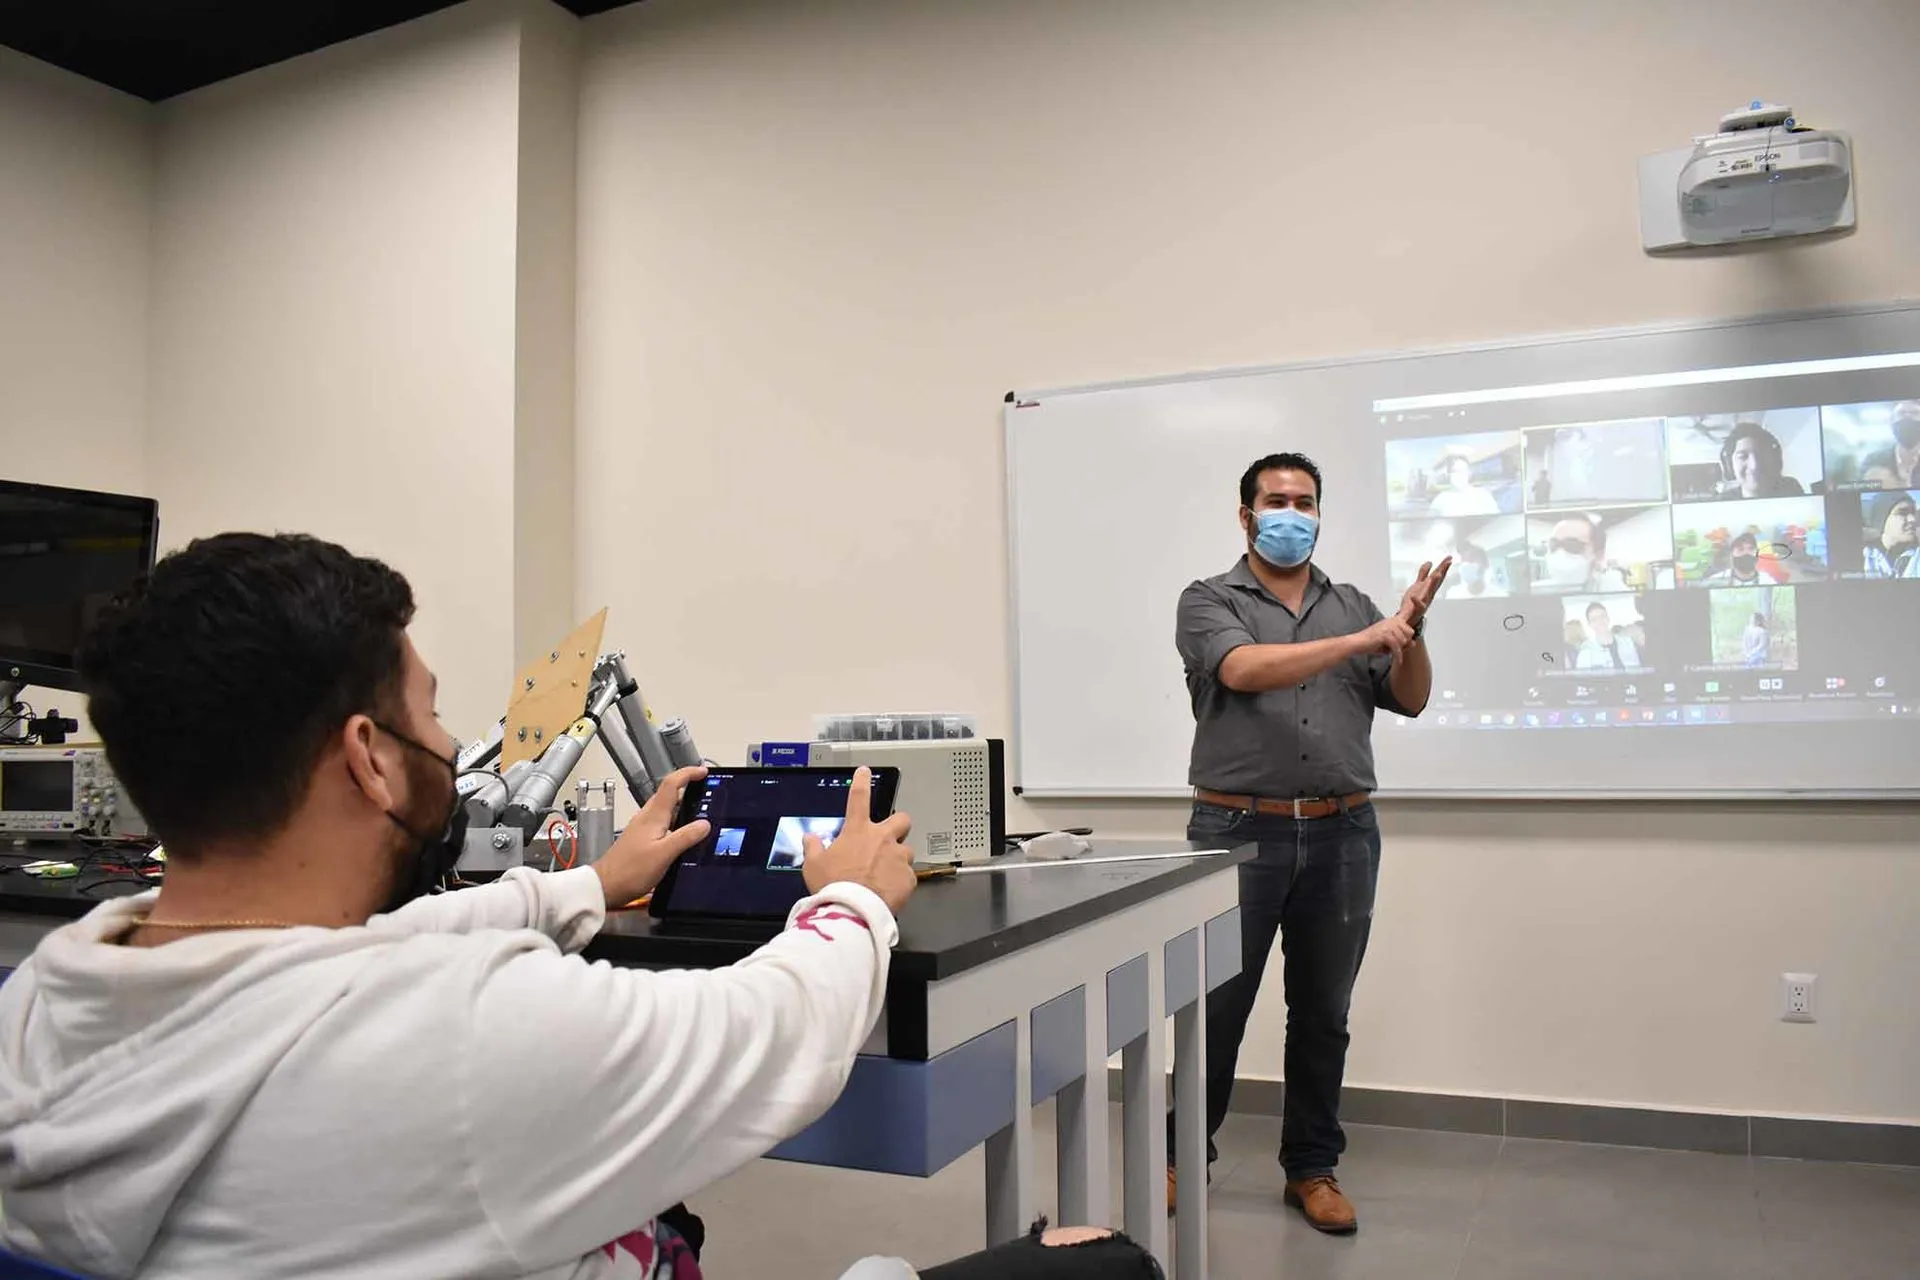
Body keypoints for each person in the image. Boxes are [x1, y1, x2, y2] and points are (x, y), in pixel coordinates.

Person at [0, 533, 1157, 1280]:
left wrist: (589, 885)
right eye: (433, 713)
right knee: (1098, 1261)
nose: (455, 745)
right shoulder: (464, 1041)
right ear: (368, 757)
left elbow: (364, 956)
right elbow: (778, 1039)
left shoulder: (47, 1001)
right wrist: (851, 903)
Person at [1166, 452, 1444, 1235]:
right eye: (1276, 500)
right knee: (1217, 1006)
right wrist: (1365, 639)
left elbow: (1411, 699)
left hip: (1342, 832)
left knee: (1323, 1011)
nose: (1292, 512)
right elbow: (1246, 669)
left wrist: (1408, 633)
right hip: (1235, 831)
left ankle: (1312, 1169)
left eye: (1306, 501)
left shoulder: (1353, 604)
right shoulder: (1209, 599)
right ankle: (1182, 1156)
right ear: (1246, 513)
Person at [1538, 513, 1628, 593]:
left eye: (1572, 545)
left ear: (1598, 555)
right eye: (1554, 544)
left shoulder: (1615, 593)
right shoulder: (1538, 591)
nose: (1560, 553)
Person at [1719, 421, 1805, 498]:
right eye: (1743, 456)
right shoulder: (1723, 503)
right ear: (1730, 465)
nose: (1754, 465)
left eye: (1762, 455)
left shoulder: (1791, 488)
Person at [1858, 400, 1920, 490]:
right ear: (1892, 423)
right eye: (1901, 413)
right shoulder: (1873, 462)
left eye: (1915, 413)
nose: (1908, 417)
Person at [1861, 490, 1919, 578]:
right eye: (1902, 513)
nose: (1913, 519)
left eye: (1913, 513)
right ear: (1882, 520)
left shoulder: (1916, 556)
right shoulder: (1865, 555)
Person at [1427, 453, 1500, 517]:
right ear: (1449, 475)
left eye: (1463, 471)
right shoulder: (1440, 500)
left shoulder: (1484, 496)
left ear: (1469, 473)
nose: (1459, 475)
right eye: (1455, 471)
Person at [1575, 603, 1641, 670]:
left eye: (1602, 616)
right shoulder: (1585, 651)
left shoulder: (1627, 642)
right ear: (1590, 625)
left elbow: (1638, 669)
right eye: (1595, 619)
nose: (1600, 621)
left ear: (1608, 619)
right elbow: (1583, 678)